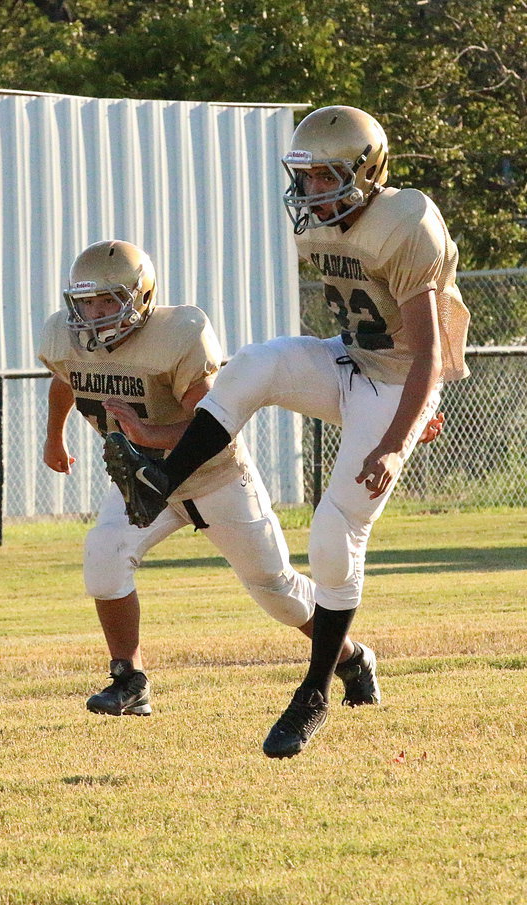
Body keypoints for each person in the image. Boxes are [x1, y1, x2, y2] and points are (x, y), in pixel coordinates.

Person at [104, 105, 469, 758]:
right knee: (255, 364)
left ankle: (317, 690)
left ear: (368, 170)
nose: (312, 192)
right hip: (350, 360)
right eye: (305, 177)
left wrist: (396, 437)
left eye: (327, 177)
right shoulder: (322, 225)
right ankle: (161, 476)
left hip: (396, 385)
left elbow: (430, 354)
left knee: (333, 533)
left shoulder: (407, 222)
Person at [39, 239, 381, 721]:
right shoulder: (65, 337)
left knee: (276, 590)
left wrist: (150, 432)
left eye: (106, 301)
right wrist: (54, 439)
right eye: (85, 302)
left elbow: (216, 421)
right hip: (143, 479)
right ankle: (129, 679)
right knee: (103, 554)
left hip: (215, 478)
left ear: (139, 297)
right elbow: (65, 381)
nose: (93, 314)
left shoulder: (179, 334)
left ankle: (350, 657)